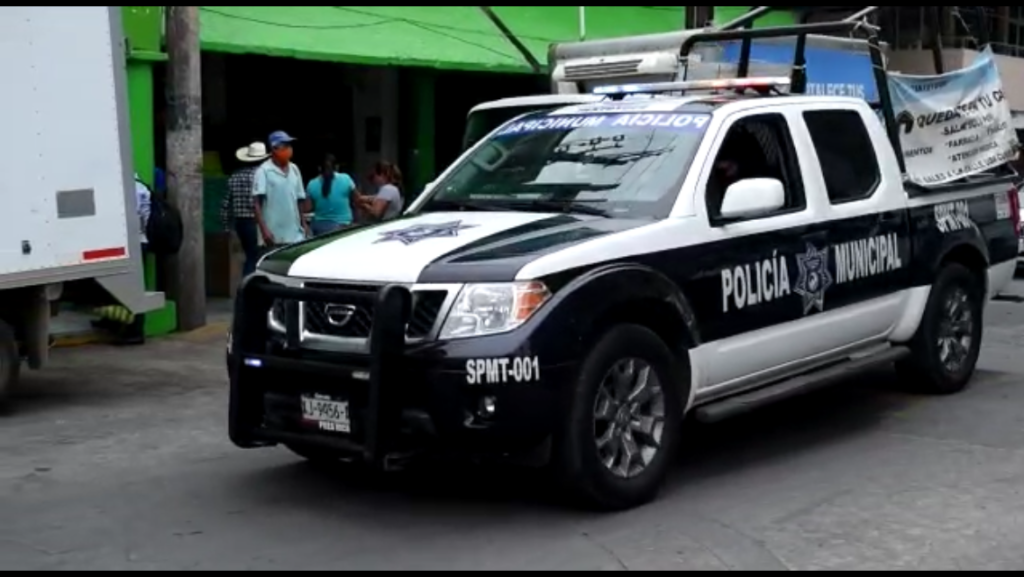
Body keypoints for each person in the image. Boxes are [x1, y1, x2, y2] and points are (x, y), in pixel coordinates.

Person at [220, 141, 270, 276]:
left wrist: (226, 227)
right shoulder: (263, 176)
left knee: (249, 256)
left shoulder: (234, 176)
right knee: (258, 258)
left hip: (240, 223)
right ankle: (252, 284)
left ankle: (247, 281)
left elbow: (225, 205)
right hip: (258, 223)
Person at [253, 130, 309, 248]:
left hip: (295, 235)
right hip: (273, 236)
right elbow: (256, 204)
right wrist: (264, 230)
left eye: (289, 145)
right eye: (285, 145)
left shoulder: (294, 169)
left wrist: (304, 223)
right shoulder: (264, 171)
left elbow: (299, 199)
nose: (289, 149)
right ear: (274, 148)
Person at [307, 153, 357, 235]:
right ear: (337, 167)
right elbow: (357, 199)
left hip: (319, 228)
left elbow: (308, 207)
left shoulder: (312, 184)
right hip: (342, 227)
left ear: (319, 168)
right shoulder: (346, 179)